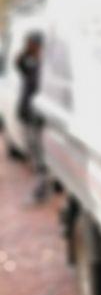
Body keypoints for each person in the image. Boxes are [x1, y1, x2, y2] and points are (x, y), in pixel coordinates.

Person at [15, 31, 49, 203]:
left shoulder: (43, 66)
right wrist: (27, 50)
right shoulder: (32, 63)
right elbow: (18, 63)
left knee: (38, 153)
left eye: (31, 43)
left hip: (36, 118)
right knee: (33, 151)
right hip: (29, 116)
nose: (28, 46)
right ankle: (41, 186)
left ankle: (41, 190)